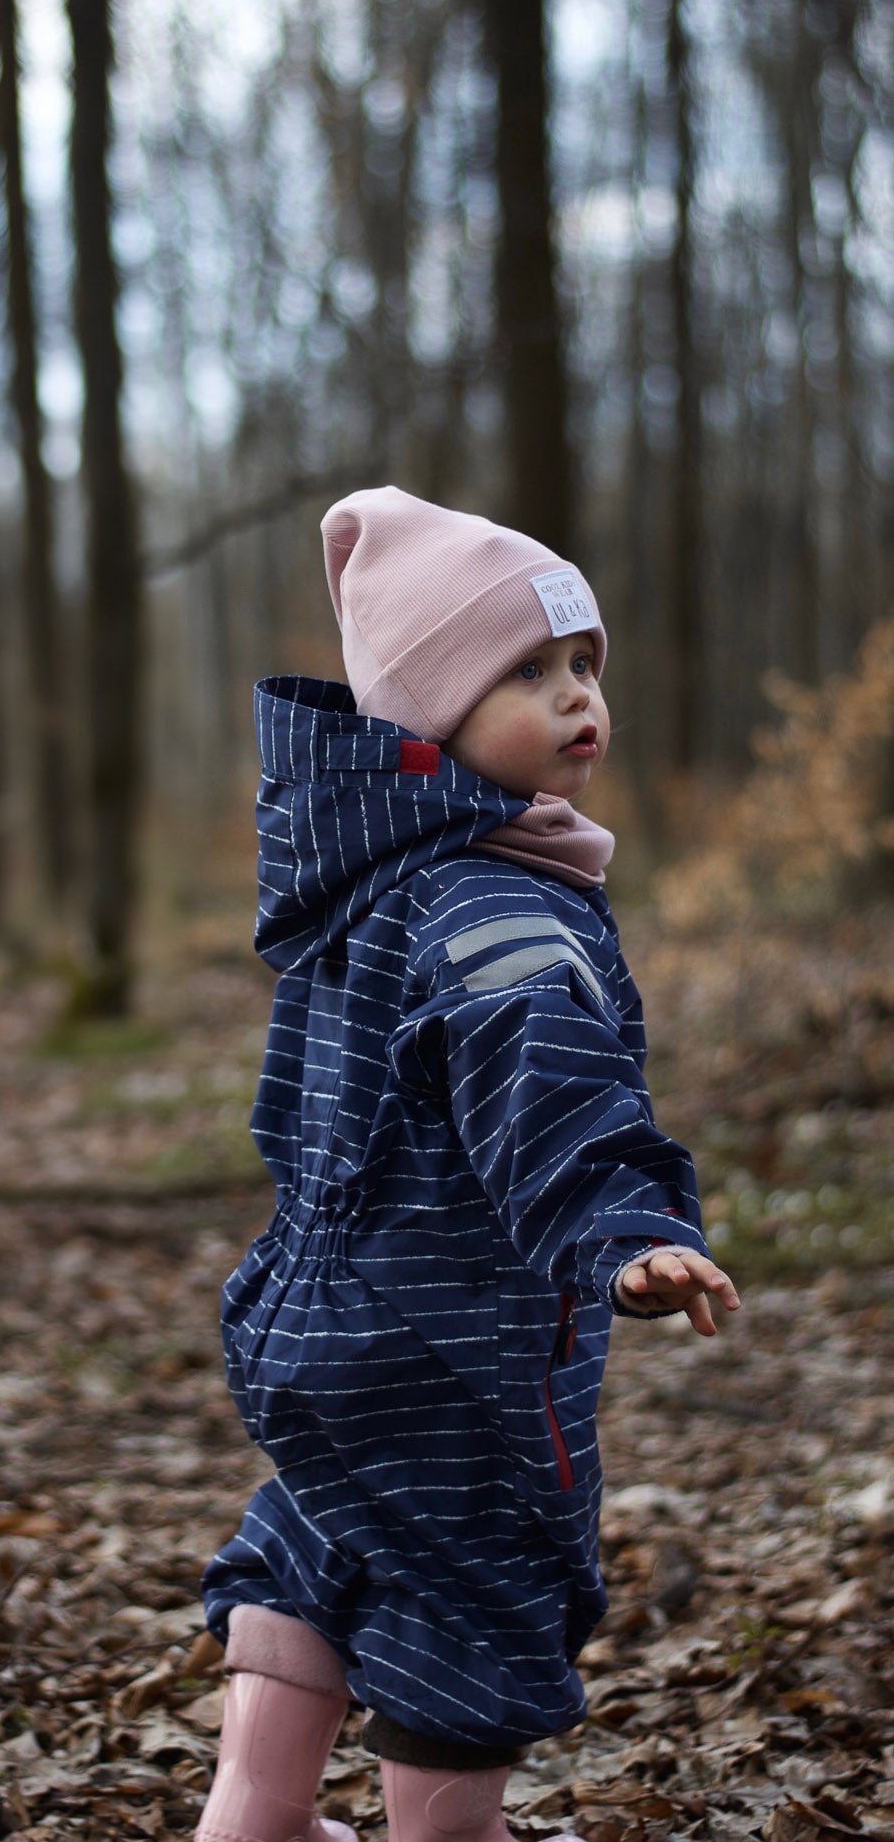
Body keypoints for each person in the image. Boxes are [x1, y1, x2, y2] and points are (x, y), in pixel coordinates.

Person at [193, 488, 740, 1842]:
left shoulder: (359, 875)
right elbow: (548, 1095)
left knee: (329, 1532)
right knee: (476, 1582)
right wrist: (626, 1232)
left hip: (315, 1324)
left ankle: (255, 1814)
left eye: (580, 666)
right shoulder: (497, 909)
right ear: (430, 708)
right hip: (458, 1343)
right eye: (525, 671)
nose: (573, 699)